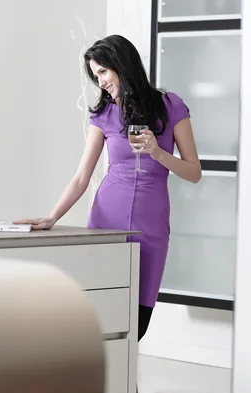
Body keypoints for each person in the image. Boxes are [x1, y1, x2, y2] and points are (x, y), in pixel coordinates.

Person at [15, 34, 201, 344]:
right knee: (101, 323)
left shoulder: (170, 105)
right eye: (95, 74)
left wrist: (158, 153)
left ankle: (126, 392)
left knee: (135, 327)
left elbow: (194, 172)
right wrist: (52, 217)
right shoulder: (102, 114)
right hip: (106, 224)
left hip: (151, 228)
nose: (99, 81)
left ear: (122, 65)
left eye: (103, 71)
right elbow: (81, 178)